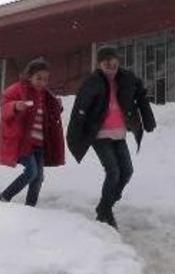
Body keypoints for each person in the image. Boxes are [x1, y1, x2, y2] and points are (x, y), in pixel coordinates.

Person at [66, 46, 156, 228]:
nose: (111, 68)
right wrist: (75, 135)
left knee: (127, 171)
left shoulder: (127, 79)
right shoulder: (92, 82)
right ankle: (105, 213)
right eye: (107, 65)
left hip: (119, 134)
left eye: (114, 64)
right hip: (99, 135)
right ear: (100, 65)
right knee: (113, 172)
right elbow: (79, 109)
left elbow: (141, 97)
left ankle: (105, 206)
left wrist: (147, 120)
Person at [0, 58, 65, 206]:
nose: (42, 82)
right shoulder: (18, 89)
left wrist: (57, 107)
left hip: (39, 144)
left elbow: (49, 115)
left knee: (38, 177)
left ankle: (30, 207)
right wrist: (15, 106)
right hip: (22, 142)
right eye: (38, 78)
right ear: (29, 76)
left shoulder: (46, 95)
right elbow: (5, 107)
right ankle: (4, 196)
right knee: (32, 172)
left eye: (45, 79)